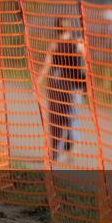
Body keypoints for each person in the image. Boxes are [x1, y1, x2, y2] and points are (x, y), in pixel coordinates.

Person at [37, 17, 86, 164]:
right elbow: (85, 65)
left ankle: (56, 152)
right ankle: (68, 151)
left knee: (57, 119)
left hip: (58, 86)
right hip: (72, 86)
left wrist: (38, 82)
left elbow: (47, 65)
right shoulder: (77, 43)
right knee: (71, 119)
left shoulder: (57, 45)